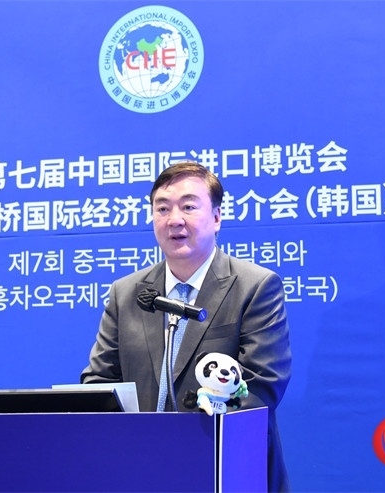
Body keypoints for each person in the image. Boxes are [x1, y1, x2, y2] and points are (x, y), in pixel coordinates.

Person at [81, 161, 292, 491]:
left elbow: (262, 386)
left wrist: (190, 436)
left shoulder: (255, 286)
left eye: (189, 207)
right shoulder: (127, 293)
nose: (174, 220)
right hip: (140, 472)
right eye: (162, 208)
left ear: (217, 217)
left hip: (224, 466)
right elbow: (99, 381)